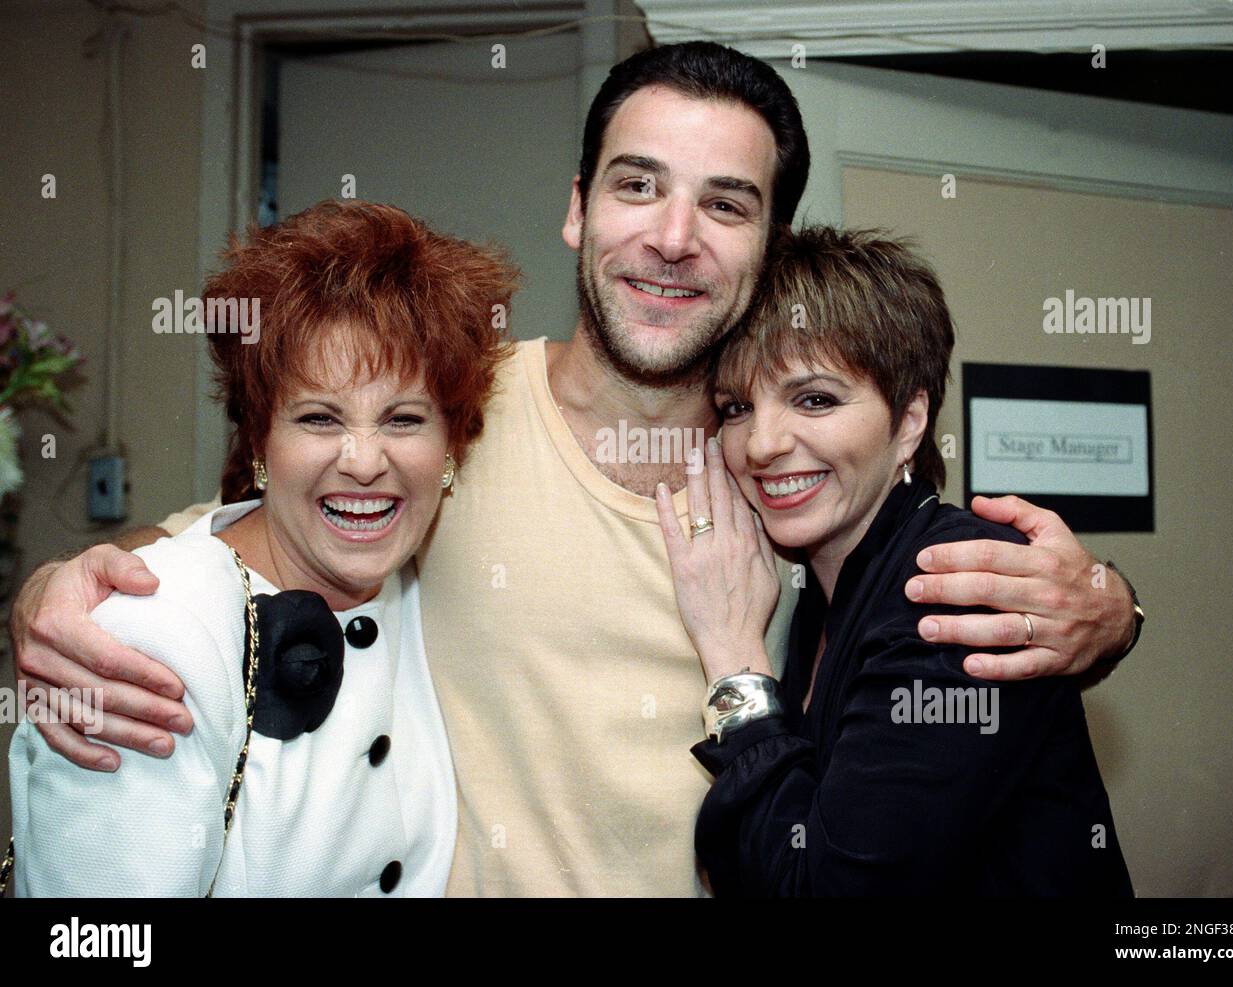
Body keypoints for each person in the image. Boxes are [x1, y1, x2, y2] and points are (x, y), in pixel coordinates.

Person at [8, 43, 1142, 896]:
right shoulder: (441, 417)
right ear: (578, 208)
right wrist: (62, 589)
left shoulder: (794, 481)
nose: (671, 235)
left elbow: (930, 637)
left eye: (725, 203)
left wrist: (1110, 609)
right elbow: (264, 528)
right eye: (637, 184)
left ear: (772, 241)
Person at [7, 200, 518, 895]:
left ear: (451, 447)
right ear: (259, 442)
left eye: (404, 418)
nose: (364, 460)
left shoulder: (421, 583)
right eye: (318, 417)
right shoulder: (149, 635)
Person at [655, 226, 1133, 895]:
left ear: (909, 420)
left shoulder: (953, 584)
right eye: (737, 407)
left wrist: (733, 659)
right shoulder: (815, 589)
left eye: (814, 398)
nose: (761, 443)